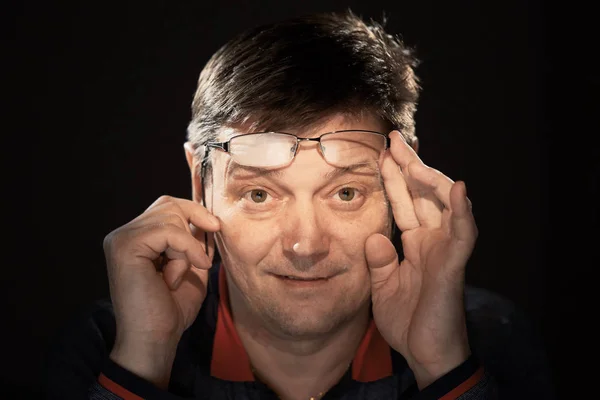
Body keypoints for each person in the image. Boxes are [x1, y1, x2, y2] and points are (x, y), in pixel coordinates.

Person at [44, 10, 554, 400]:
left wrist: (445, 365)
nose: (305, 245)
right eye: (260, 193)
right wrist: (144, 359)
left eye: (346, 193)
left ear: (403, 177)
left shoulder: (489, 338)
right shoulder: (109, 341)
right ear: (199, 181)